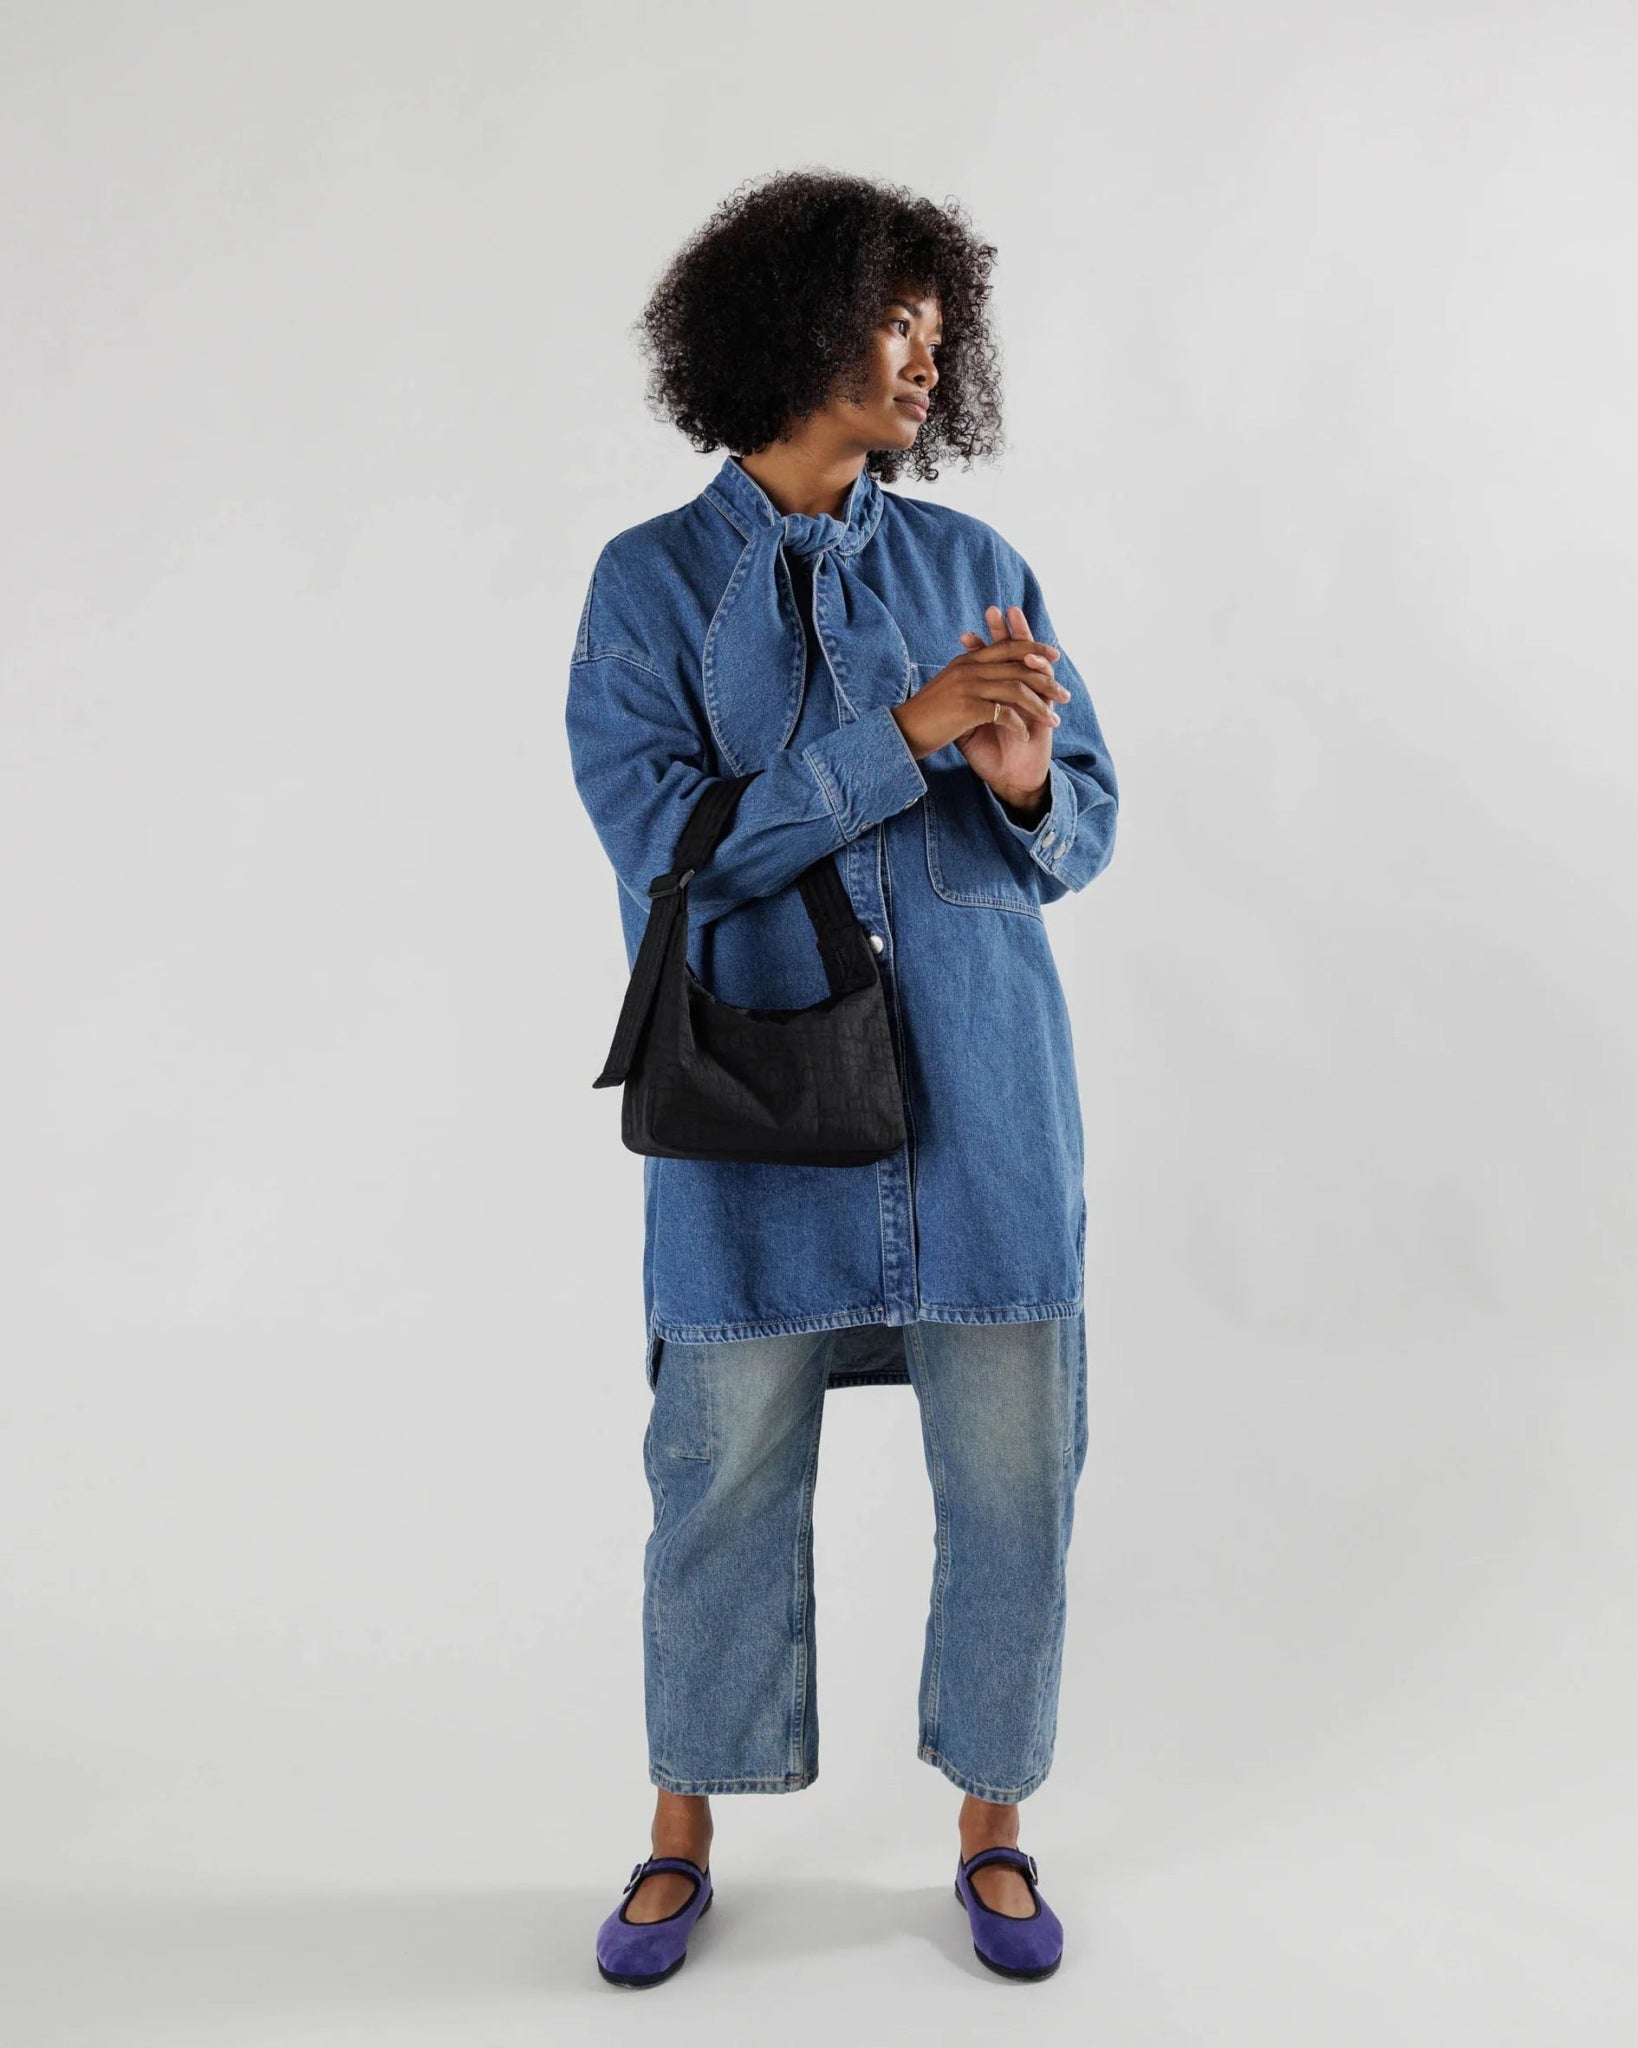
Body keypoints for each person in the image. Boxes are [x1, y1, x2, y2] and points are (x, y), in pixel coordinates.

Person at [565, 169, 1119, 1987]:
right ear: (788, 327)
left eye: (936, 332)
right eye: (890, 321)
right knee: (714, 1468)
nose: (921, 359)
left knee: (1017, 1472)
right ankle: (679, 1831)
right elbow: (671, 848)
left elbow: (1083, 826)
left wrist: (1022, 780)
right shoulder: (649, 585)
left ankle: (992, 1823)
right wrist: (902, 736)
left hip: (986, 1102)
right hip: (750, 1112)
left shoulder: (973, 568)